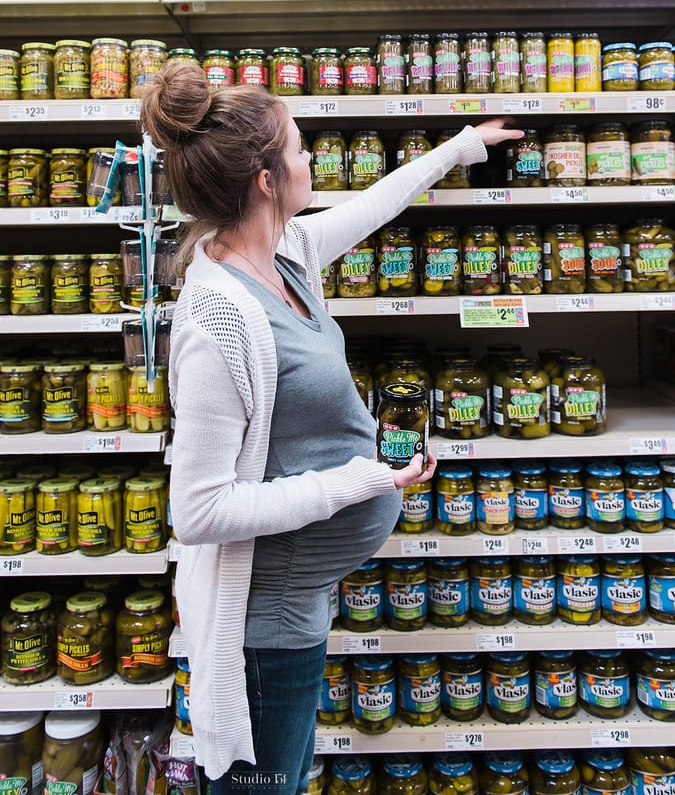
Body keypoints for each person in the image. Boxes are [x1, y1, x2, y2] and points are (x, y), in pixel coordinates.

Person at [140, 62, 524, 795]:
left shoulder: (288, 254)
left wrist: (462, 146)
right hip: (263, 631)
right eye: (299, 147)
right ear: (264, 178)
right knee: (262, 788)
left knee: (276, 781)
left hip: (295, 608)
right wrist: (367, 480)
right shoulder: (215, 317)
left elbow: (378, 204)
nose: (311, 158)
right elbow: (197, 511)